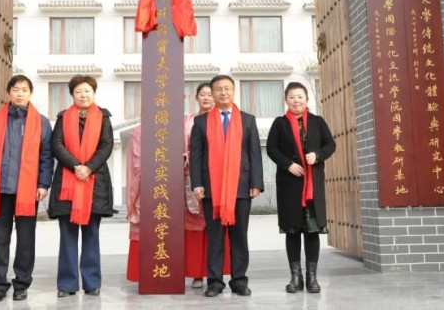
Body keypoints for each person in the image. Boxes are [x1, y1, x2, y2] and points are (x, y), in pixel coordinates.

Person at [126, 82, 231, 287]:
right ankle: (165, 274)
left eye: (210, 94)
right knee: (167, 227)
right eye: (203, 94)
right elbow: (141, 160)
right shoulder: (150, 128)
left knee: (204, 228)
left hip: (198, 180)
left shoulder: (203, 122)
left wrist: (187, 157)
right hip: (168, 183)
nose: (207, 98)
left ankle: (203, 273)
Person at [0, 75, 53, 303]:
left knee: (26, 240)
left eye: (24, 89)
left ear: (31, 93)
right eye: (16, 89)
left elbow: (46, 156)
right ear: (8, 93)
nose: (20, 93)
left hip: (27, 191)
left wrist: (43, 184)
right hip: (0, 190)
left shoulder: (41, 122)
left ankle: (21, 284)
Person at [190, 75, 264, 298]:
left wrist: (256, 183)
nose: (223, 92)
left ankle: (239, 281)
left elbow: (254, 153)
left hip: (241, 187)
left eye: (227, 88)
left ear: (233, 91)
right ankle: (215, 282)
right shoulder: (201, 122)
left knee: (239, 236)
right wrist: (197, 183)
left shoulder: (247, 120)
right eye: (219, 89)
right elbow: (196, 155)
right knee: (215, 237)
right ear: (212, 94)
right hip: (211, 188)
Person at [266, 82, 336, 294]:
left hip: (313, 185)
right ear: (286, 100)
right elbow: (271, 148)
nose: (296, 100)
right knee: (293, 231)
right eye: (291, 97)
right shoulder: (279, 123)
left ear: (306, 99)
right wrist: (287, 164)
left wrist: (318, 155)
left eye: (300, 96)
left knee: (312, 232)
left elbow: (330, 144)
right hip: (290, 185)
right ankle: (295, 278)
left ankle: (312, 278)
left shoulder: (317, 121)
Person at [48, 75, 114, 298]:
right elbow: (56, 144)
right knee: (67, 237)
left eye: (87, 91)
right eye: (78, 91)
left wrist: (89, 168)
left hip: (95, 182)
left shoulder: (104, 117)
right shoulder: (63, 117)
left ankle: (92, 283)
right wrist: (77, 166)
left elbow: (106, 145)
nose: (83, 95)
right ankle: (67, 285)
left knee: (91, 235)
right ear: (72, 95)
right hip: (68, 181)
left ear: (94, 93)